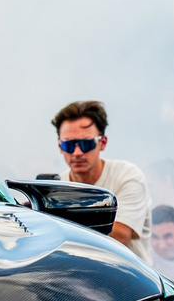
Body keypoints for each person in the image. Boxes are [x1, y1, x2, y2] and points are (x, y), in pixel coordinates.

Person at [48, 100, 146, 243]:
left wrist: (61, 218)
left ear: (103, 142)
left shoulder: (127, 176)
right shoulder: (56, 187)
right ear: (59, 146)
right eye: (68, 145)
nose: (77, 152)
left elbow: (121, 236)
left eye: (86, 143)